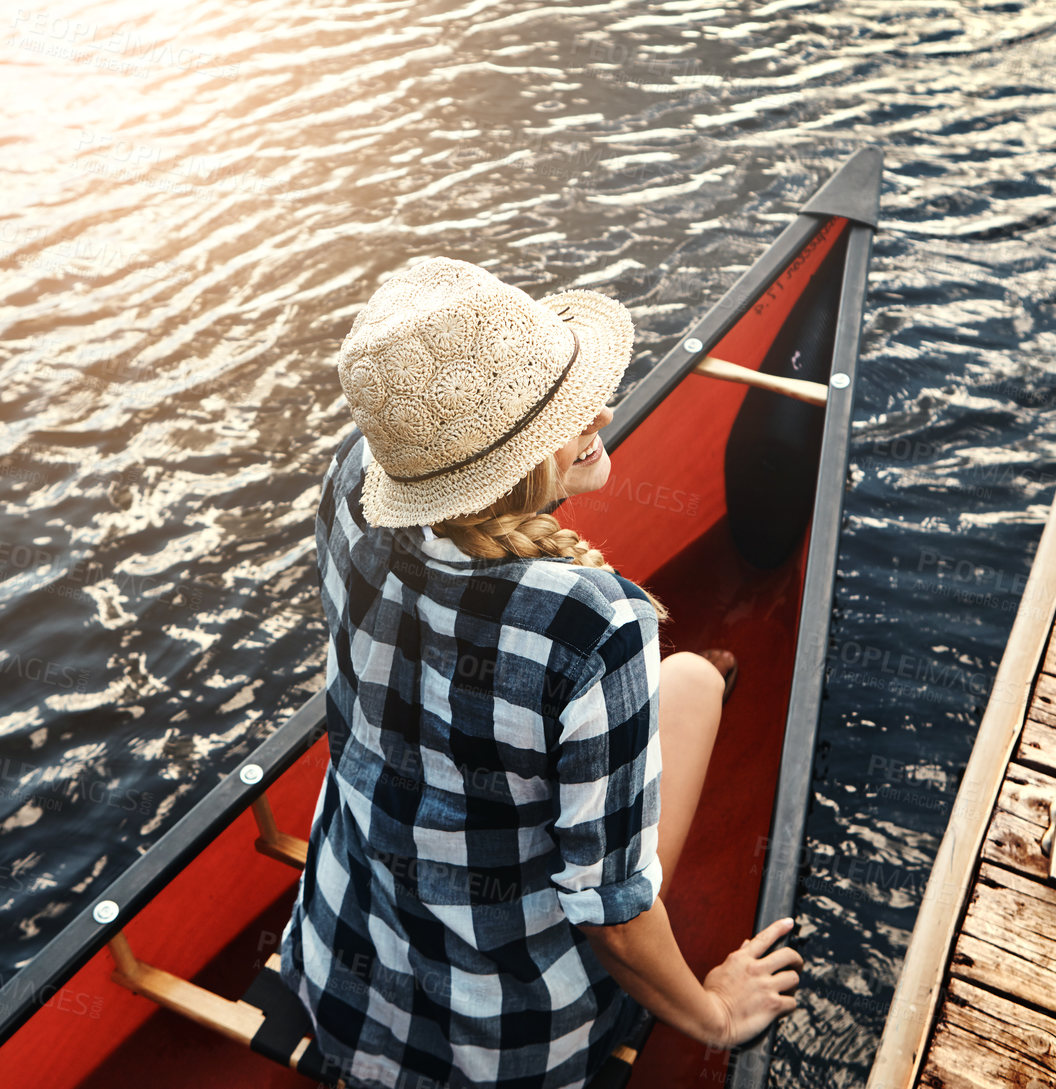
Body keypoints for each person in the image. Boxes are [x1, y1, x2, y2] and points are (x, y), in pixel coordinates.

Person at [276, 256, 802, 1089]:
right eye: (557, 411)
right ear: (504, 463)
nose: (600, 409)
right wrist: (718, 1014)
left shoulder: (358, 479)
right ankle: (704, 682)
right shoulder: (596, 623)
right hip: (506, 1042)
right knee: (695, 682)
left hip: (339, 968)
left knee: (679, 682)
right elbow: (615, 921)